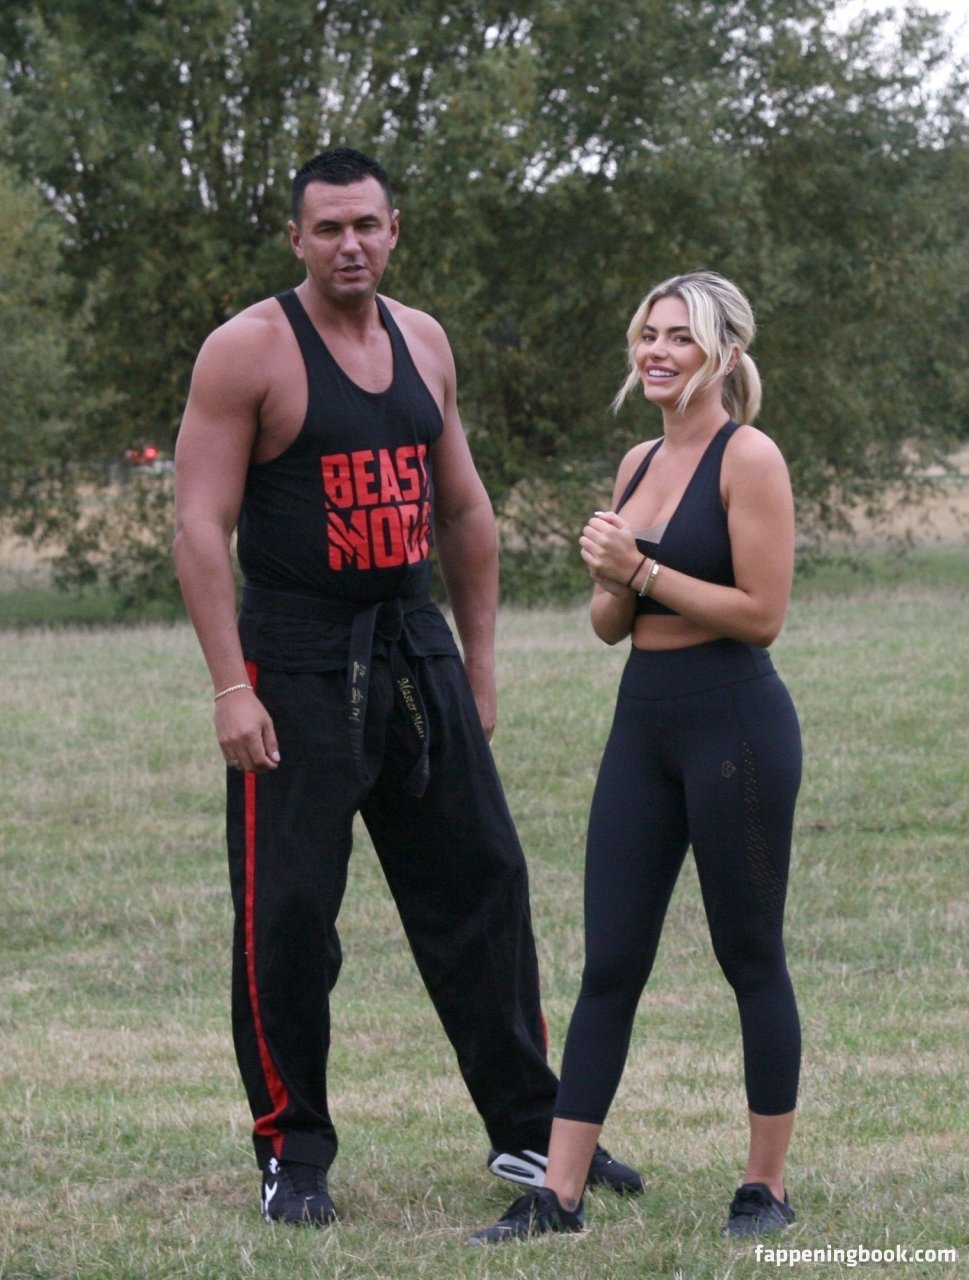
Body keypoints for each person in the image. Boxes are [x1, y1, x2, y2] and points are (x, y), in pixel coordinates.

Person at [172, 146, 641, 1226]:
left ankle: (531, 1127)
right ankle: (293, 1151)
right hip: (294, 654)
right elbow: (200, 523)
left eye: (367, 225)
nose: (350, 245)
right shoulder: (248, 350)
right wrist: (230, 687)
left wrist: (477, 664)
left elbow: (463, 509)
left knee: (484, 880)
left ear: (394, 231)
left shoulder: (423, 340)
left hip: (413, 644)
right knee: (290, 913)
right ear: (297, 238)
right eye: (328, 228)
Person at [469, 271, 803, 1245]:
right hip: (643, 721)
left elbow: (762, 614)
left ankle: (765, 1187)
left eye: (679, 337)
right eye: (648, 334)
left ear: (724, 354)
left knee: (750, 957)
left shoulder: (750, 457)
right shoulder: (636, 460)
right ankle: (560, 1195)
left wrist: (642, 568)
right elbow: (610, 624)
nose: (656, 351)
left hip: (734, 723)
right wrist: (612, 579)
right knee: (610, 962)